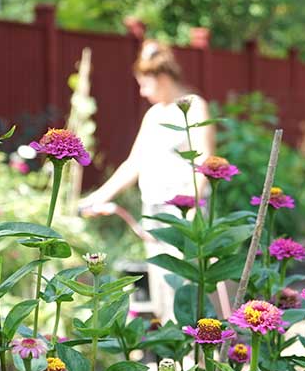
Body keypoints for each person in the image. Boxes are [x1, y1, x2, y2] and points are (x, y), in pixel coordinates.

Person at [79, 41, 215, 322]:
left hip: (184, 216)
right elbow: (135, 163)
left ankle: (197, 355)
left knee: (186, 286)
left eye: (145, 84)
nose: (142, 92)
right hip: (152, 211)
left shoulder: (195, 107)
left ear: (162, 79)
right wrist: (100, 197)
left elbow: (204, 163)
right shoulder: (154, 115)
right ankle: (172, 350)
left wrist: (190, 211)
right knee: (162, 283)